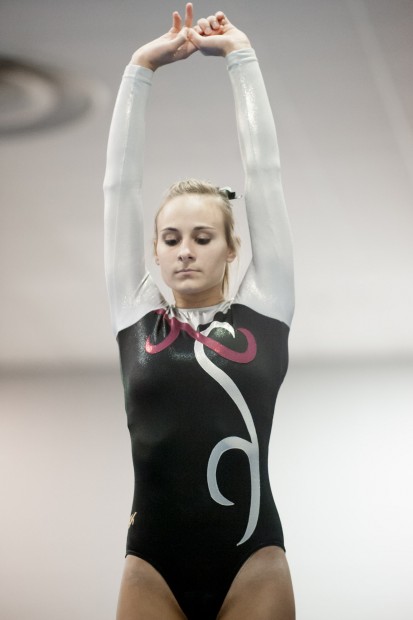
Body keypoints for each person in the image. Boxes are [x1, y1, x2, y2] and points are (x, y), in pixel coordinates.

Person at [103, 4, 295, 619]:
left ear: (231, 246)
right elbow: (119, 187)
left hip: (252, 561)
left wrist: (241, 57)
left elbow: (264, 171)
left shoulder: (264, 312)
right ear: (155, 251)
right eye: (171, 239)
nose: (185, 251)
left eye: (203, 238)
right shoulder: (137, 317)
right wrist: (139, 69)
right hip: (153, 562)